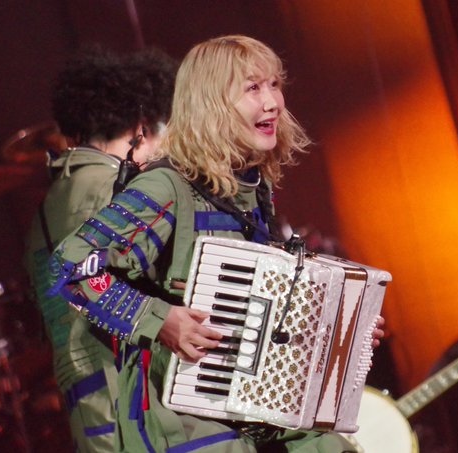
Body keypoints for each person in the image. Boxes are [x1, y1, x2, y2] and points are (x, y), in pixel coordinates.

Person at [48, 35, 384, 452]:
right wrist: (160, 320)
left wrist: (342, 331)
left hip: (252, 405)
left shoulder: (252, 189)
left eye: (275, 85)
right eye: (253, 88)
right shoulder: (166, 186)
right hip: (182, 413)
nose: (273, 103)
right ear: (211, 104)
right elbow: (71, 266)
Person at [25, 46, 177, 452]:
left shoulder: (46, 208)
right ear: (140, 127)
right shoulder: (118, 189)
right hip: (132, 390)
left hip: (82, 395)